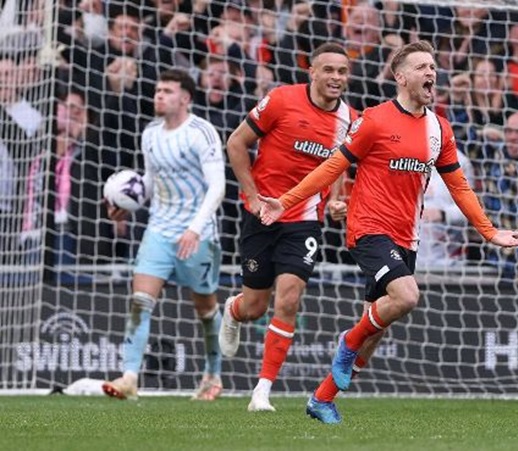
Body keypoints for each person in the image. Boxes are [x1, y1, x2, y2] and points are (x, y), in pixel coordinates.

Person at [258, 41, 518, 424]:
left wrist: (489, 232)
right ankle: (346, 342)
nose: (430, 73)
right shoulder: (374, 120)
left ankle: (321, 398)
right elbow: (333, 167)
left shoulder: (439, 129)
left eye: (433, 66)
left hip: (406, 237)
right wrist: (286, 200)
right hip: (368, 228)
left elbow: (459, 187)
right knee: (406, 296)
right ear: (401, 78)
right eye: (421, 67)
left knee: (373, 336)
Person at [220, 43, 357, 413]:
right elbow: (236, 143)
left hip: (304, 219)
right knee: (254, 306)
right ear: (311, 72)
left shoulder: (350, 121)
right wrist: (251, 196)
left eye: (342, 72)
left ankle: (262, 392)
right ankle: (233, 311)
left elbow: (341, 163)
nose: (336, 78)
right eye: (328, 70)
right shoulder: (281, 100)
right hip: (262, 215)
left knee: (290, 297)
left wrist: (335, 199)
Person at [101, 69, 226, 402]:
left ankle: (213, 375)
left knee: (206, 310)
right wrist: (130, 205)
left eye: (167, 91)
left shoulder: (202, 132)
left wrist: (194, 228)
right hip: (159, 228)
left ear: (184, 98)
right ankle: (129, 377)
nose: (159, 95)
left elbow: (218, 186)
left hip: (198, 235)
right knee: (140, 301)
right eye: (157, 90)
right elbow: (152, 181)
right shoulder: (151, 134)